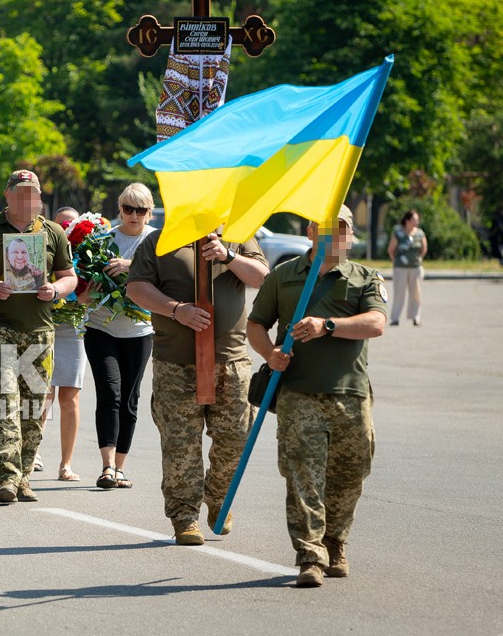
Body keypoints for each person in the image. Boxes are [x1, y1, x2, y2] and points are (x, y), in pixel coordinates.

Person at [247, 205, 387, 588]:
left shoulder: (364, 278)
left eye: (343, 230)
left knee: (349, 476)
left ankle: (335, 543)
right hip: (298, 394)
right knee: (302, 477)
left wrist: (327, 325)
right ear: (311, 231)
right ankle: (310, 555)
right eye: (328, 229)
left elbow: (376, 323)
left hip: (350, 394)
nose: (336, 237)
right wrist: (269, 354)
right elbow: (256, 324)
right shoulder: (284, 276)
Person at [127, 216, 268, 545]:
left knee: (236, 439)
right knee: (180, 444)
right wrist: (176, 310)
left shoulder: (237, 234)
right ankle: (184, 516)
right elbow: (136, 287)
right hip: (176, 363)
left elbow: (261, 277)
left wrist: (228, 256)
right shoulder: (160, 240)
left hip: (231, 361)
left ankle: (219, 498)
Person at [0, 170, 77, 504]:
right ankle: (7, 476)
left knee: (33, 406)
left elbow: (69, 277)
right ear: (8, 195)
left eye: (33, 194)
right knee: (5, 400)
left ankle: (25, 475)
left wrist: (55, 290)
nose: (27, 199)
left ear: (40, 198)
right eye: (20, 193)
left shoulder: (53, 233)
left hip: (40, 331)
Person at [84, 184, 156, 491]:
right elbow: (82, 284)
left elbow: (165, 276)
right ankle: (107, 466)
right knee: (109, 393)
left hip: (140, 331)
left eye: (141, 210)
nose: (134, 216)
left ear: (149, 212)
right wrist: (88, 290)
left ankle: (121, 467)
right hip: (101, 328)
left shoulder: (156, 240)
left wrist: (130, 265)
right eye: (128, 209)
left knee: (130, 398)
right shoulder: (103, 239)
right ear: (119, 208)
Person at [38, 206, 87, 482]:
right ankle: (33, 452)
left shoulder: (89, 255)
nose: (66, 227)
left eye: (72, 223)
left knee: (69, 397)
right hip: (43, 324)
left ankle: (65, 464)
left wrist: (84, 299)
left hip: (72, 329)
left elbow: (93, 293)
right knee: (43, 395)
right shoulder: (41, 249)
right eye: (61, 223)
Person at [387, 209, 427, 326]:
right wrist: (397, 261)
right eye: (415, 220)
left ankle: (416, 317)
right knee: (399, 293)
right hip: (400, 268)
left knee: (416, 293)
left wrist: (418, 259)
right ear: (407, 220)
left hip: (415, 268)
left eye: (417, 220)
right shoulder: (398, 233)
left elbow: (424, 249)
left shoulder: (420, 233)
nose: (417, 222)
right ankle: (395, 318)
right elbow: (391, 250)